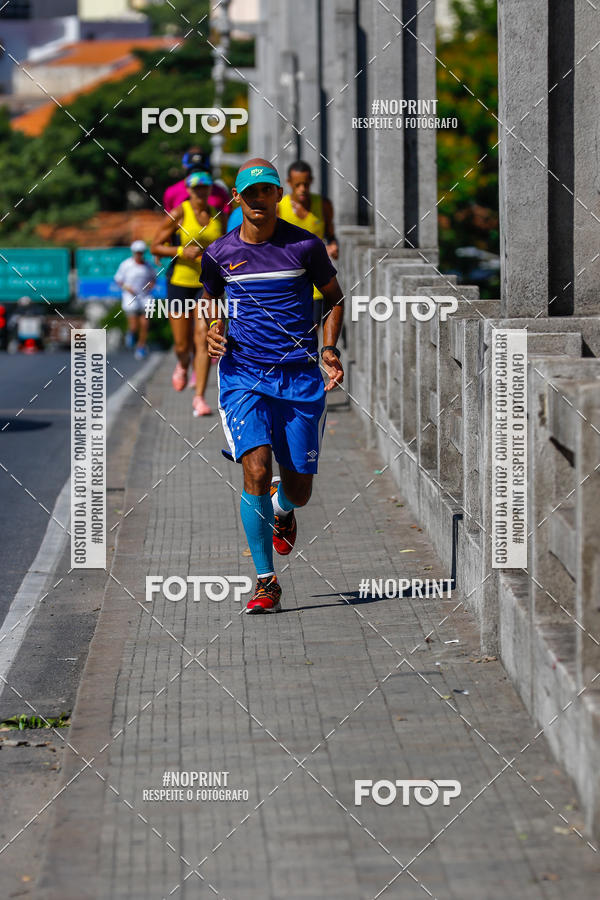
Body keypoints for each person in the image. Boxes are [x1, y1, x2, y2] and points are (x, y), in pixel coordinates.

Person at [201, 158, 344, 614]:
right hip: (243, 376)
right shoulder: (220, 253)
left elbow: (334, 299)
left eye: (267, 192)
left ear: (278, 196)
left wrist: (329, 349)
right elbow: (210, 299)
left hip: (300, 377)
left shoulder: (304, 246)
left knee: (299, 490)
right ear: (238, 200)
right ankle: (266, 582)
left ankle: (283, 509)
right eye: (251, 193)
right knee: (256, 470)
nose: (259, 200)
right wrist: (211, 328)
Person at [151, 171, 224, 416]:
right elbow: (156, 245)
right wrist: (182, 251)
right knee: (182, 344)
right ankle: (182, 363)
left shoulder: (216, 214)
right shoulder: (180, 212)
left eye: (205, 188)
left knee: (203, 337)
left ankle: (200, 398)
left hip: (208, 284)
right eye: (196, 188)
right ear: (189, 190)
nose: (201, 192)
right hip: (181, 281)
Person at [277, 161, 339, 332]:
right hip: (288, 280)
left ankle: (308, 359)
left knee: (312, 330)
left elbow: (331, 236)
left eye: (306, 183)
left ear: (311, 180)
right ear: (289, 183)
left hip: (316, 282)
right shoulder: (280, 208)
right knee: (289, 330)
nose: (302, 189)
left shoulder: (323, 205)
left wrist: (333, 246)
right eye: (298, 185)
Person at [113, 240, 156, 360]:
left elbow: (153, 279)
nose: (139, 255)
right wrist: (128, 288)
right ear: (133, 252)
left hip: (145, 297)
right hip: (130, 297)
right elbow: (118, 279)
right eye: (137, 252)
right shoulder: (126, 265)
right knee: (134, 326)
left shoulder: (148, 266)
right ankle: (131, 333)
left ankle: (141, 346)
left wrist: (150, 285)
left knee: (145, 323)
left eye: (141, 252)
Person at [163, 147, 231, 217]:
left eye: (201, 170)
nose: (197, 175)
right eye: (192, 171)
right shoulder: (171, 192)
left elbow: (227, 219)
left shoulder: (220, 193)